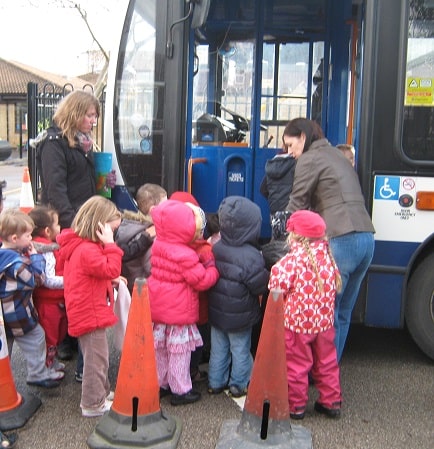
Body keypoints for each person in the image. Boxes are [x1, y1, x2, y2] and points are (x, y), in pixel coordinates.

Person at [284, 118, 375, 362]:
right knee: (343, 312)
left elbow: (297, 205)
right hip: (366, 238)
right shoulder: (337, 155)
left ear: (303, 137)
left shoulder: (309, 159)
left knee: (327, 313)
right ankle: (331, 368)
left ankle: (324, 377)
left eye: (291, 145)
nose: (290, 153)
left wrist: (283, 234)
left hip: (340, 239)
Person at [36, 90, 115, 365]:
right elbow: (56, 190)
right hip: (70, 224)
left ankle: (74, 338)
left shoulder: (83, 144)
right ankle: (67, 341)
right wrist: (75, 227)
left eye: (95, 115)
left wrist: (105, 182)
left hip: (83, 220)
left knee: (78, 282)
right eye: (89, 115)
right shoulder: (53, 144)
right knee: (68, 283)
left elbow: (85, 181)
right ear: (75, 113)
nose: (93, 121)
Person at [268, 210, 342, 419]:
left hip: (297, 325)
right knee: (327, 362)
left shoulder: (292, 261)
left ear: (294, 236)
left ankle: (296, 406)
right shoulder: (328, 257)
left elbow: (275, 285)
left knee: (297, 366)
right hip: (324, 324)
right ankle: (331, 401)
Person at [56, 196, 123, 417]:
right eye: (111, 231)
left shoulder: (80, 246)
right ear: (99, 227)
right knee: (96, 361)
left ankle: (101, 393)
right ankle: (93, 404)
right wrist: (112, 246)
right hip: (90, 313)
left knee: (98, 357)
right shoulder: (89, 250)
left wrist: (109, 280)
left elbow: (90, 275)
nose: (112, 237)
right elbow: (110, 269)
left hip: (84, 309)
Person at [148, 199, 219, 406]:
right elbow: (202, 281)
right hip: (178, 313)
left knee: (160, 350)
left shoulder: (158, 245)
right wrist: (212, 268)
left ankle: (161, 385)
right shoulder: (186, 255)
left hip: (159, 310)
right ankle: (180, 390)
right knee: (180, 353)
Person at [207, 196, 269, 398]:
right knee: (240, 349)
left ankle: (215, 382)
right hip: (241, 316)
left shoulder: (216, 248)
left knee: (218, 349)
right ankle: (238, 383)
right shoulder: (251, 256)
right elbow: (260, 285)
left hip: (217, 313)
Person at [0, 209, 64, 388]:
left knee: (6, 346)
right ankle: (37, 374)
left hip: (5, 314)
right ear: (14, 239)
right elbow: (36, 279)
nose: (31, 239)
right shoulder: (17, 264)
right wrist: (36, 256)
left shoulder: (4, 256)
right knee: (36, 337)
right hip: (18, 312)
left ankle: (4, 379)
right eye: (28, 235)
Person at [169, 191, 214, 383]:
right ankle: (191, 372)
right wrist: (213, 270)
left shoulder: (166, 245)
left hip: (173, 309)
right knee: (195, 342)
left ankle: (172, 375)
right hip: (197, 309)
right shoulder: (203, 249)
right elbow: (203, 281)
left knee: (174, 345)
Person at [29, 206, 67, 371]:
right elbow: (49, 280)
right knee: (50, 336)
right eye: (57, 224)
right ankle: (46, 368)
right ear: (47, 230)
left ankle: (50, 363)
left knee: (56, 334)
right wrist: (72, 281)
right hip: (48, 303)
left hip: (52, 301)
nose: (60, 227)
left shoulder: (41, 246)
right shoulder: (47, 251)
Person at [115, 183, 167, 293]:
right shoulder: (151, 233)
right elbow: (151, 268)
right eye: (165, 204)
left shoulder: (127, 225)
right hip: (144, 292)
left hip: (129, 287)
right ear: (153, 210)